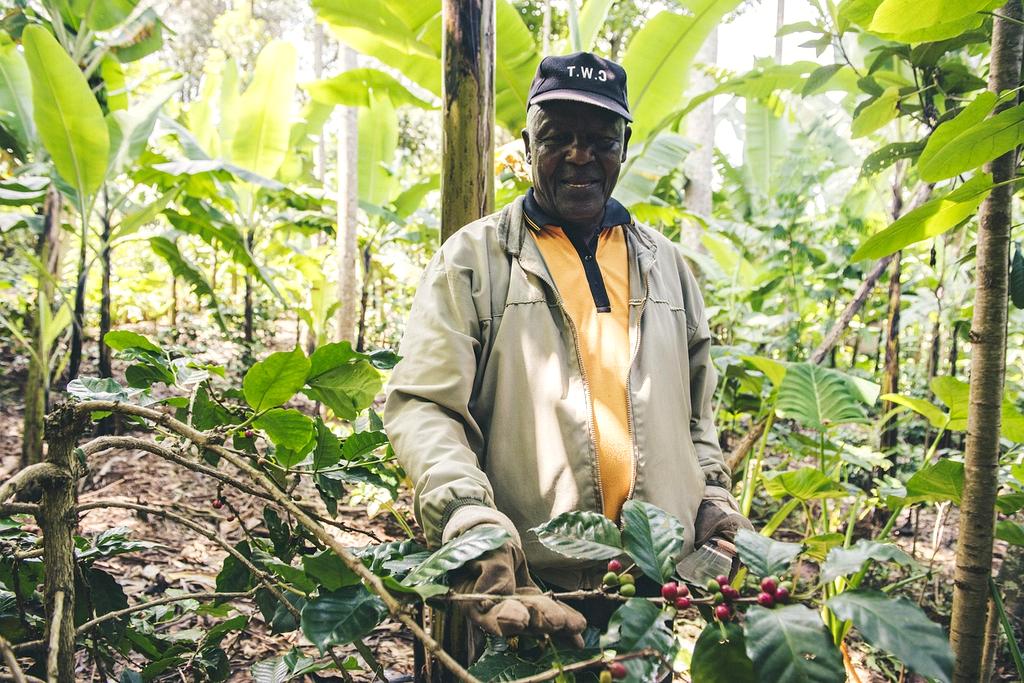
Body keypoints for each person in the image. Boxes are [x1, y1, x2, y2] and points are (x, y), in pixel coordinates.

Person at [384, 52, 751, 655]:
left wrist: (713, 502)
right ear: (528, 144)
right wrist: (472, 523)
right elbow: (425, 406)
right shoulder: (474, 260)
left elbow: (695, 419)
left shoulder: (667, 268)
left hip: (646, 592)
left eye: (600, 139)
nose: (580, 156)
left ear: (624, 147)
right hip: (526, 586)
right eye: (558, 138)